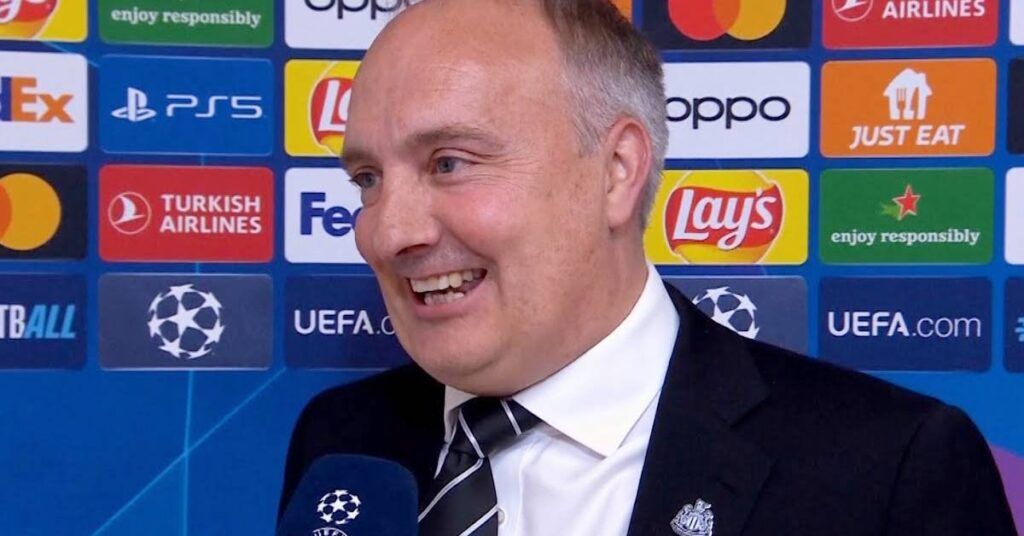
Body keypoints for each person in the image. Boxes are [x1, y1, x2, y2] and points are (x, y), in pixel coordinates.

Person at [280, 1, 1018, 534]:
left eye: (450, 163)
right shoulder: (343, 439)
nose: (388, 232)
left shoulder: (889, 472)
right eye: (367, 179)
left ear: (616, 171)